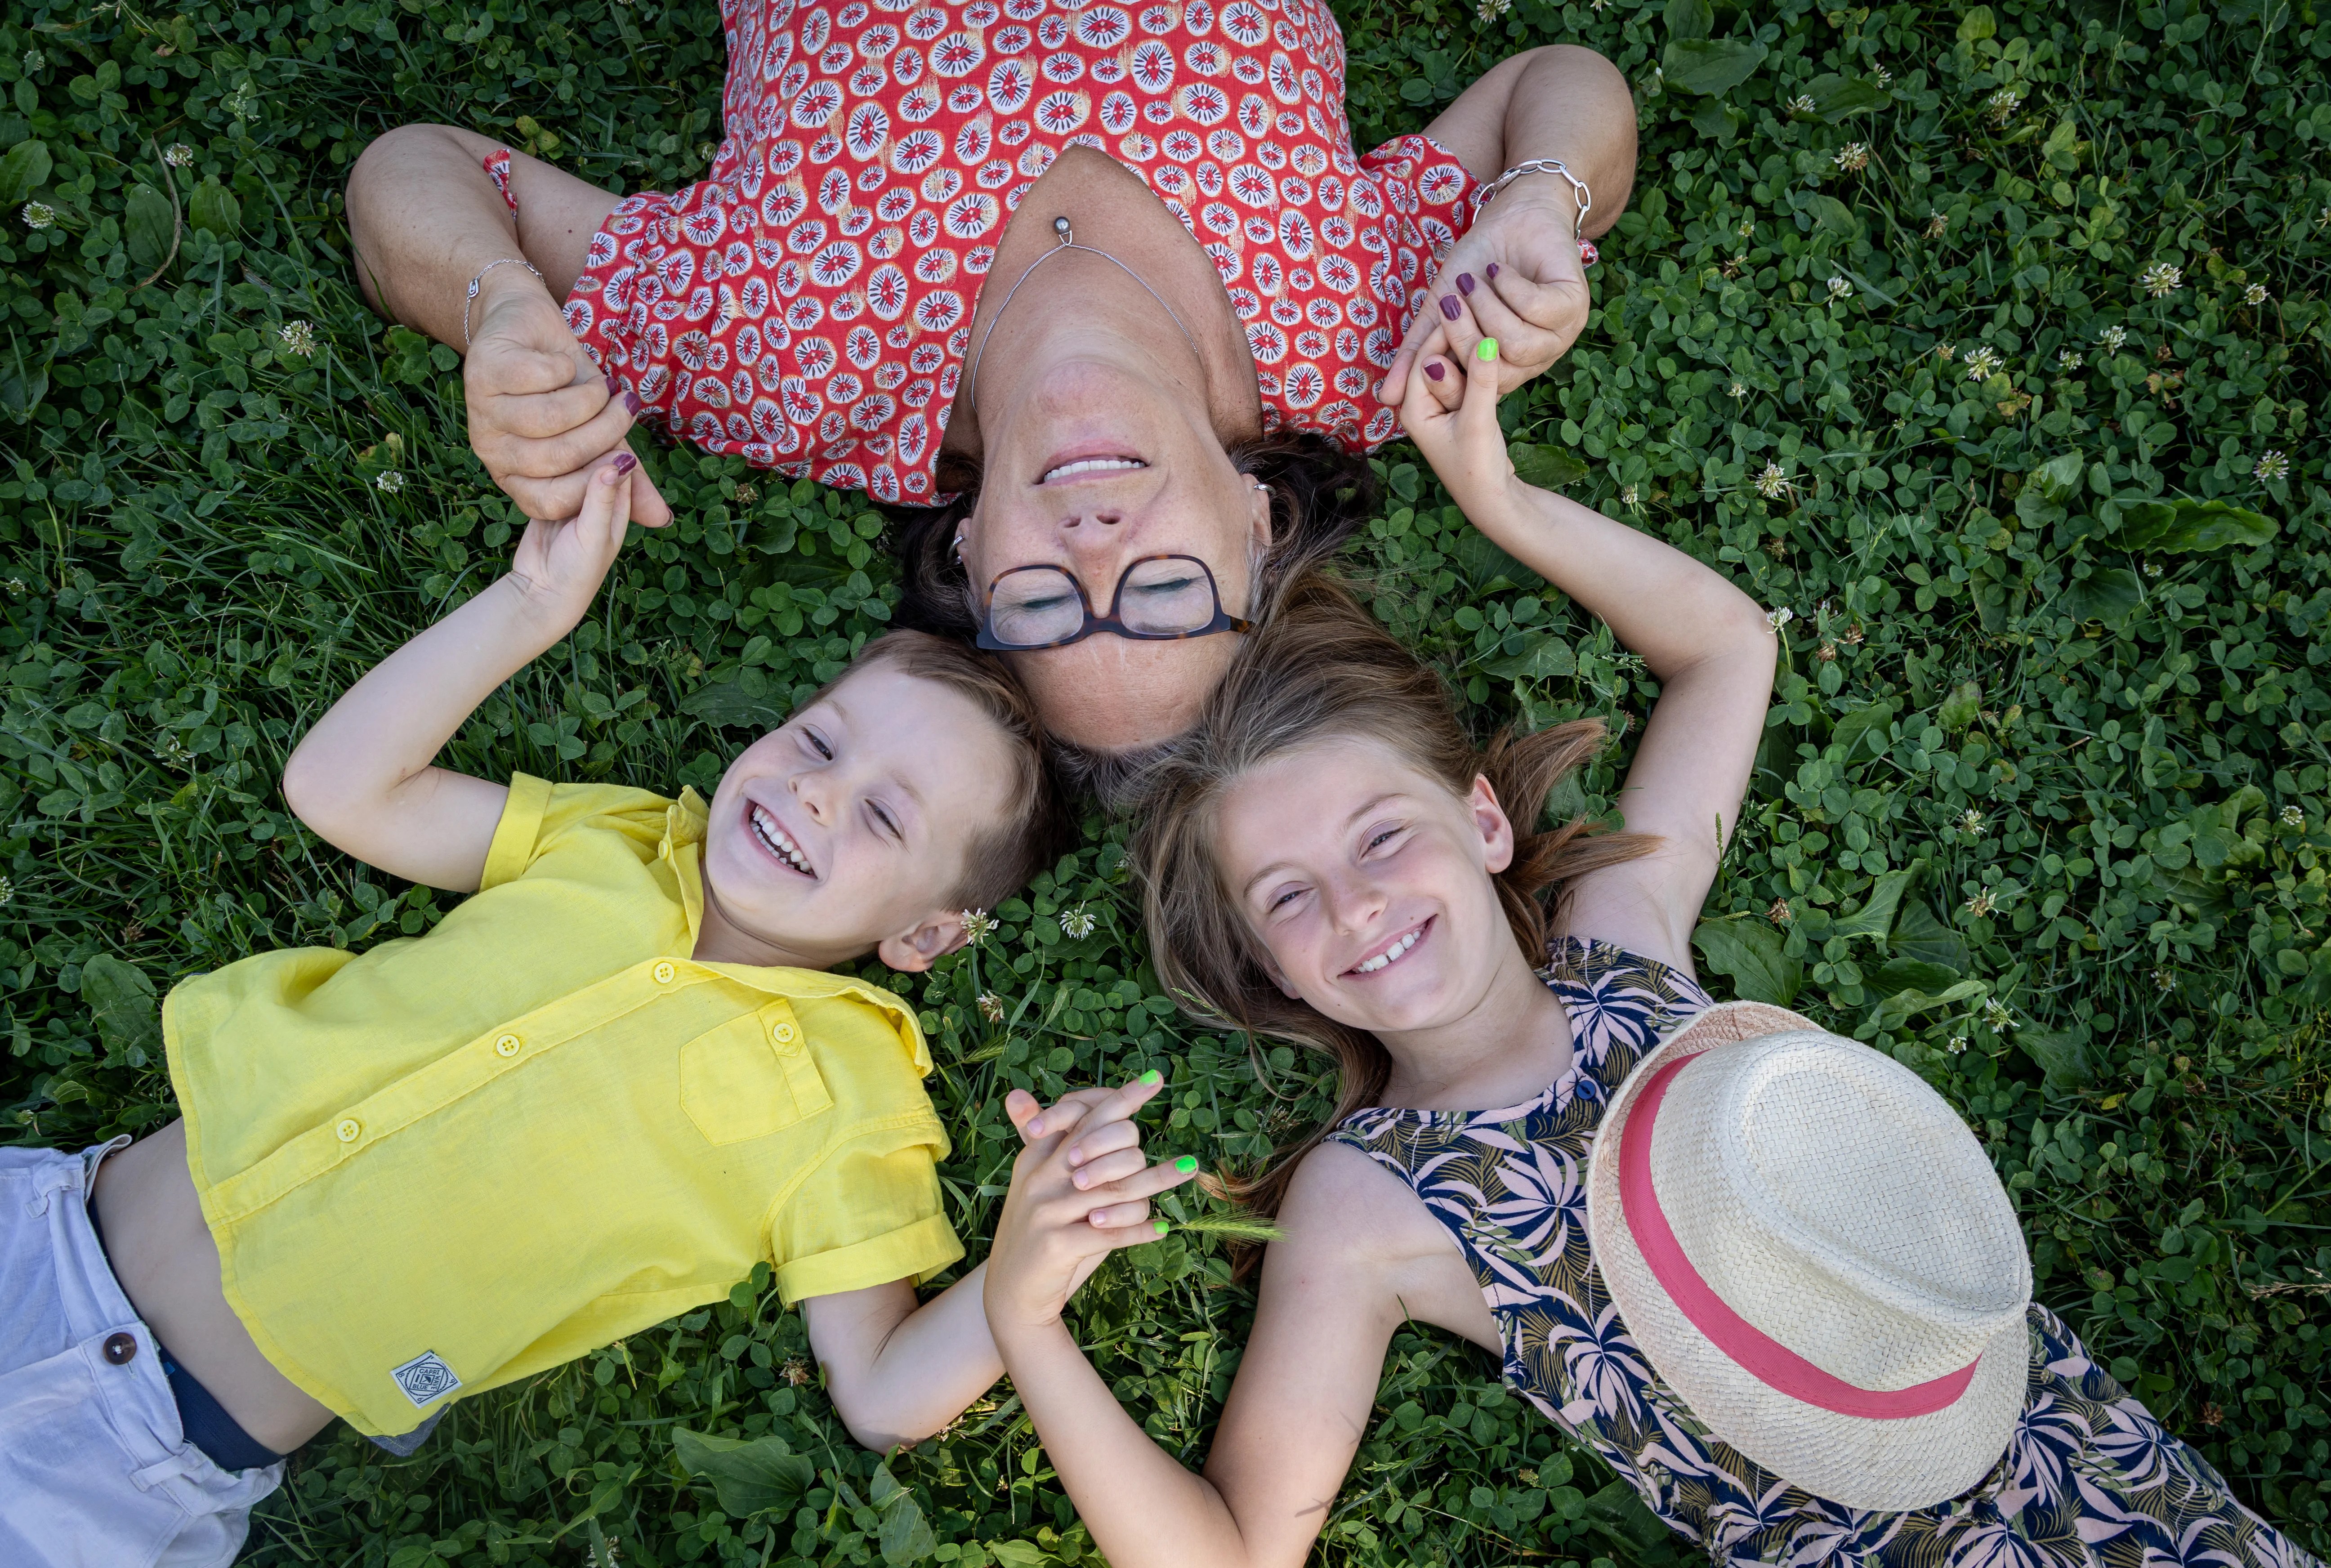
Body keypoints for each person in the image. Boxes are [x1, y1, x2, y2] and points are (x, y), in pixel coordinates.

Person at [977, 321, 2325, 1565]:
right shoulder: (1366, 1205)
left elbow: (1730, 651)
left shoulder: (1623, 943)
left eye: (1384, 837)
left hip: (2137, 1498)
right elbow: (1235, 1551)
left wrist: (1499, 498)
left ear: (1485, 822)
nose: (1357, 909)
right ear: (1271, 968)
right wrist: (1025, 1319)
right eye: (1287, 897)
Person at [0, 459, 1196, 1568]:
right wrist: (527, 607)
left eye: (886, 821)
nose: (818, 796)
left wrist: (1025, 1278)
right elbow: (340, 787)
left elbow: (880, 1392)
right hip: (40, 1230)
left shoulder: (854, 1099)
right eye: (820, 740)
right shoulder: (617, 838)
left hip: (141, 1464)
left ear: (927, 936)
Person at [345, 6, 1639, 765]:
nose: (1097, 549)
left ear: (967, 556)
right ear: (1260, 525)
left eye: (1043, 602)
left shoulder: (790, 363)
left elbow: (430, 172)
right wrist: (1538, 199)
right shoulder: (1370, 347)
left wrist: (500, 304)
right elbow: (1557, 83)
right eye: (1170, 592)